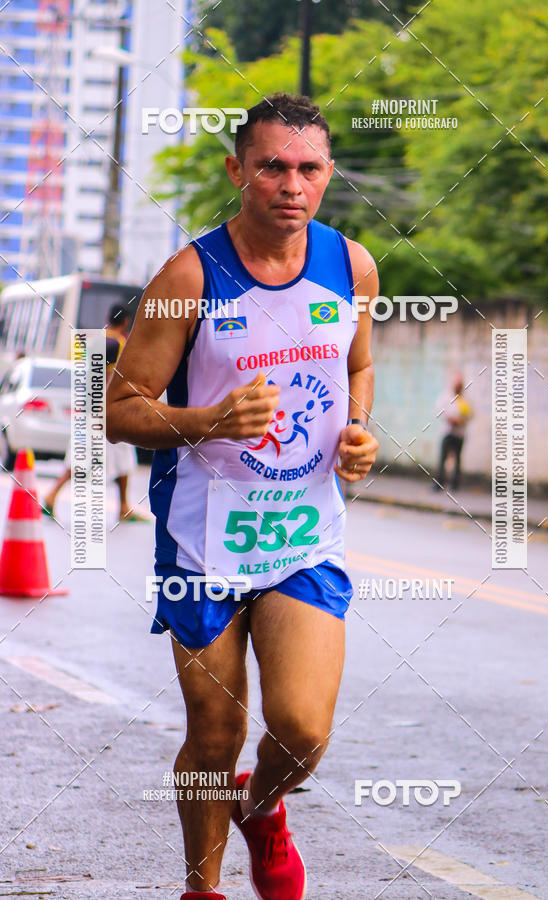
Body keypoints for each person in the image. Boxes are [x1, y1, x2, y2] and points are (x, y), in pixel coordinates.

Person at [106, 92, 379, 900]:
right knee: (217, 730)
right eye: (271, 167)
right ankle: (204, 888)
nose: (290, 185)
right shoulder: (190, 273)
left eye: (307, 168)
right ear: (238, 172)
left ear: (327, 175)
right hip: (204, 541)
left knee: (301, 728)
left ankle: (263, 810)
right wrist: (210, 419)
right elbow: (120, 409)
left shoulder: (352, 264)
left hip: (302, 537)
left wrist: (358, 430)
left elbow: (357, 365)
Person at [43, 303, 147, 523]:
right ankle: (52, 495)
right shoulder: (118, 344)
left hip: (88, 406)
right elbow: (110, 379)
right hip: (105, 410)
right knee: (115, 454)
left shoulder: (92, 339)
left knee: (111, 455)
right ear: (126, 322)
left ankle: (123, 506)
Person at [434, 373, 473, 492]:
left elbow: (470, 415)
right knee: (443, 459)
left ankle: (454, 484)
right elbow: (439, 411)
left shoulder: (464, 400)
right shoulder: (446, 398)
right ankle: (438, 484)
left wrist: (462, 420)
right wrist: (451, 419)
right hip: (447, 432)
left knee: (457, 460)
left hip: (459, 434)